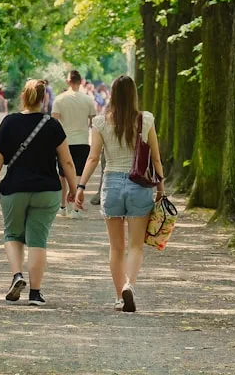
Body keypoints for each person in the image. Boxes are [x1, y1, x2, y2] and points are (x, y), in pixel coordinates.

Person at [75, 74, 165, 312]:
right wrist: (161, 188)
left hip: (112, 185)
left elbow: (93, 157)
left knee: (116, 247)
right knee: (135, 246)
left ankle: (118, 297)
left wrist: (81, 186)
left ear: (112, 95)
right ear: (134, 94)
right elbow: (155, 157)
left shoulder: (101, 122)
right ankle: (130, 285)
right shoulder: (145, 120)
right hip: (139, 186)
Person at [0, 79, 78, 306]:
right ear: (44, 98)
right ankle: (35, 294)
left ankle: (17, 275)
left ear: (23, 97)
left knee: (12, 235)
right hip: (46, 191)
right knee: (38, 240)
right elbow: (66, 161)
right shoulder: (52, 125)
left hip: (14, 189)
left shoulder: (9, 123)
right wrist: (74, 189)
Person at [52, 70, 98, 217]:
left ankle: (62, 206)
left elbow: (54, 120)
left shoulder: (59, 99)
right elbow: (93, 121)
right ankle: (76, 209)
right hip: (82, 141)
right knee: (78, 174)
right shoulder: (88, 100)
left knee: (63, 175)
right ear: (81, 81)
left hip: (64, 141)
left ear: (68, 81)